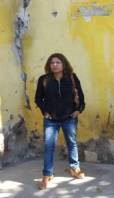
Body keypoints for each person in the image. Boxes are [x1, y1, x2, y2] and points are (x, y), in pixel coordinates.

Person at [35, 53, 86, 190]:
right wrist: (45, 112)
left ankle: (74, 169)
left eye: (58, 62)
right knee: (49, 146)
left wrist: (78, 110)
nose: (55, 65)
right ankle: (47, 175)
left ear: (63, 64)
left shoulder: (72, 78)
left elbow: (80, 96)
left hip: (69, 117)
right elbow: (38, 99)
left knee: (72, 143)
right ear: (49, 65)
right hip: (51, 119)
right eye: (52, 63)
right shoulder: (44, 79)